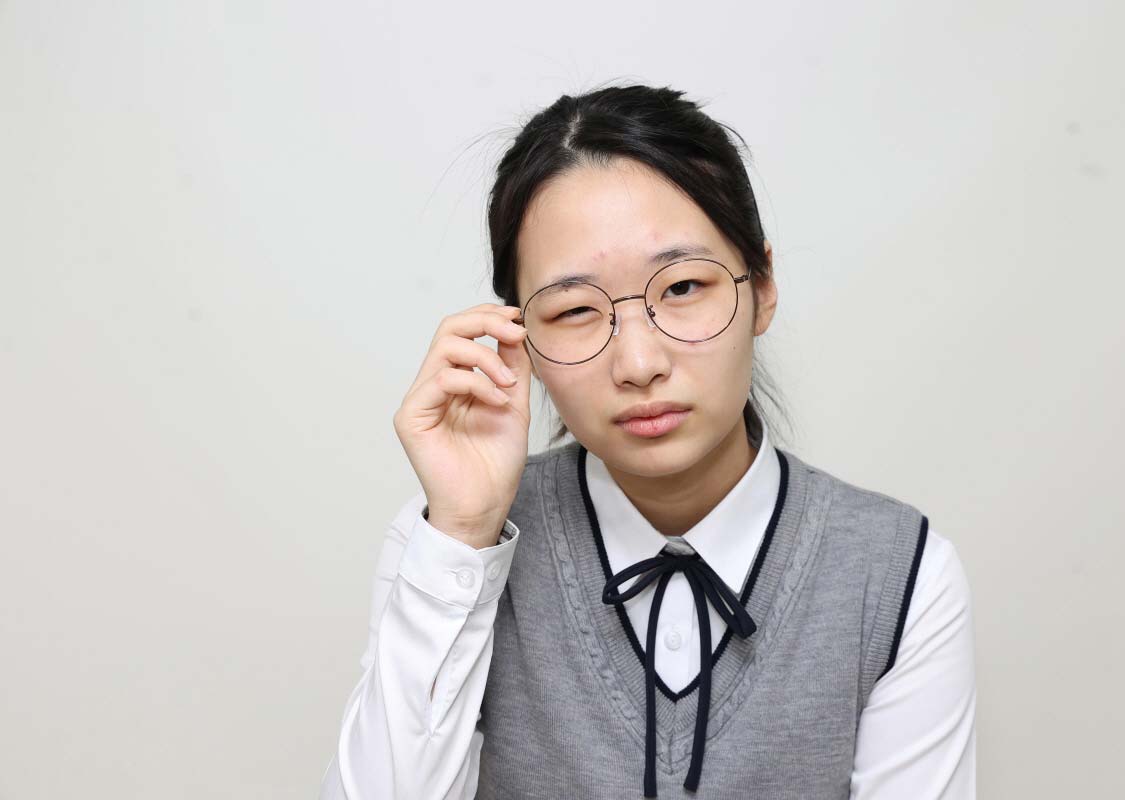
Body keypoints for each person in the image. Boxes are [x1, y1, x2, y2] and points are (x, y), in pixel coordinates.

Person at [319, 83, 976, 799]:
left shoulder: (899, 573)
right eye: (574, 309)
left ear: (761, 286)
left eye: (683, 288)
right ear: (518, 335)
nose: (638, 363)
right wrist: (464, 535)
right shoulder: (449, 543)